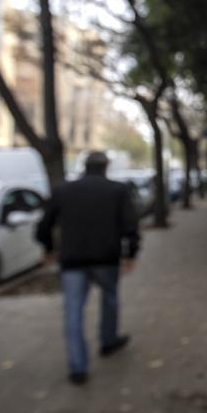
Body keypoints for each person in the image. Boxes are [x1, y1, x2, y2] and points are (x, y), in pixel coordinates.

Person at [37, 151, 141, 385]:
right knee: (110, 299)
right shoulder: (117, 190)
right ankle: (108, 341)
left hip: (72, 260)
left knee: (73, 311)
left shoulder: (64, 190)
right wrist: (130, 253)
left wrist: (49, 248)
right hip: (106, 258)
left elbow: (44, 225)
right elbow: (130, 225)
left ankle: (78, 367)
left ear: (85, 167)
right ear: (106, 167)